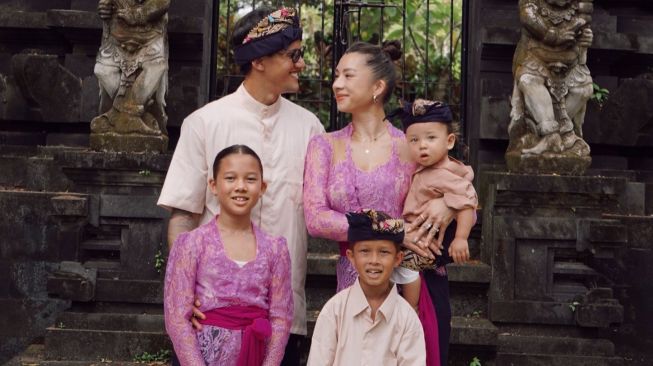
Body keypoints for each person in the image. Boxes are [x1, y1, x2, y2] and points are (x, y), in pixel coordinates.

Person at [158, 7, 325, 365]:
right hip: (210, 321)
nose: (301, 64)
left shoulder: (310, 128)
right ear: (260, 61)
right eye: (293, 55)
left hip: (280, 320)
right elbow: (183, 216)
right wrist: (184, 293)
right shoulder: (204, 123)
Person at [303, 41, 454, 294]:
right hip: (353, 283)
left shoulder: (411, 145)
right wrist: (394, 230)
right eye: (337, 76)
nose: (337, 84)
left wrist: (447, 203)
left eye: (348, 76)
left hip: (416, 280)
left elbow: (455, 183)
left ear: (377, 87)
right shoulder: (324, 146)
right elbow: (316, 220)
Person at [164, 145, 293, 366]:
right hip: (203, 354)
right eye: (231, 178)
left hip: (256, 354)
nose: (240, 187)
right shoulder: (192, 243)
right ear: (214, 185)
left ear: (262, 187)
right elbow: (177, 316)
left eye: (250, 180)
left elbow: (281, 319)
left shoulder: (275, 249)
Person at [307, 209, 426, 366]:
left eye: (384, 252)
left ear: (398, 259)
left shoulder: (407, 318)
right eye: (365, 251)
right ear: (351, 257)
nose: (374, 260)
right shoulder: (334, 311)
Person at [391, 99, 478, 309]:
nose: (422, 145)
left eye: (431, 138)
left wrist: (461, 239)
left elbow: (467, 203)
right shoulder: (428, 169)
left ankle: (410, 309)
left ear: (449, 141)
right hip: (416, 233)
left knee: (402, 266)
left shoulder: (443, 173)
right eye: (414, 140)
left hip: (428, 238)